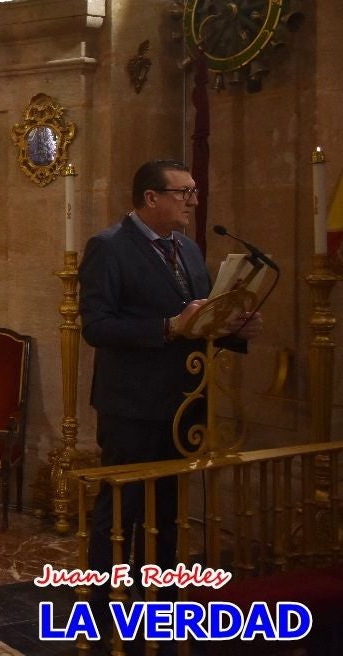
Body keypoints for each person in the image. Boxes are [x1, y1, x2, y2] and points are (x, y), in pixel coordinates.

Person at [79, 160, 262, 626]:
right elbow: (97, 327)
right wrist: (165, 326)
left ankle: (158, 599)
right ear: (150, 198)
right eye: (183, 192)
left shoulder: (191, 250)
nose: (192, 201)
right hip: (132, 403)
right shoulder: (109, 248)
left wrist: (236, 329)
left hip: (184, 399)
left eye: (194, 192)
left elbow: (199, 320)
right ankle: (102, 606)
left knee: (169, 506)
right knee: (122, 507)